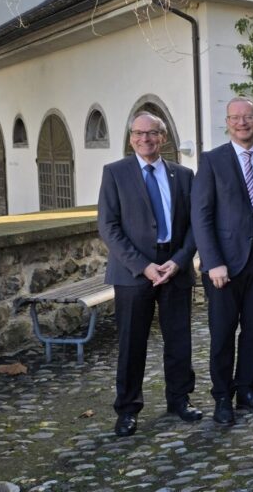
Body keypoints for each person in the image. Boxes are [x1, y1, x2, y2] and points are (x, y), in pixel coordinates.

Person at [98, 112, 201, 437]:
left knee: (179, 339)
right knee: (132, 342)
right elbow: (108, 226)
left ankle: (179, 399)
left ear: (163, 137)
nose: (146, 138)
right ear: (131, 138)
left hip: (174, 268)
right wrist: (143, 265)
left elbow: (196, 224)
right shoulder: (115, 173)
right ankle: (128, 409)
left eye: (152, 133)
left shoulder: (183, 175)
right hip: (133, 273)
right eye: (139, 133)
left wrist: (180, 261)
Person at [191, 97, 253, 425]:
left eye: (248, 117)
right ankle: (222, 396)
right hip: (223, 267)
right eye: (235, 117)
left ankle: (247, 391)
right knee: (222, 333)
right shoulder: (212, 161)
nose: (242, 122)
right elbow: (201, 215)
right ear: (227, 123)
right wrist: (212, 261)